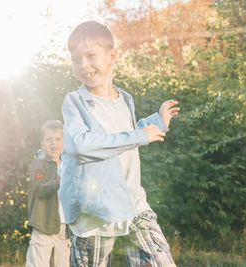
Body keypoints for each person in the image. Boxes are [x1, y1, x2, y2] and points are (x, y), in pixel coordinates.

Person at [59, 21, 180, 267]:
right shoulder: (75, 103)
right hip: (95, 211)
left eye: (91, 55)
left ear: (112, 55)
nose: (83, 65)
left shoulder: (125, 98)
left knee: (161, 262)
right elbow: (82, 145)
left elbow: (125, 135)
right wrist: (138, 136)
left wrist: (157, 122)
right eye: (75, 59)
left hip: (133, 202)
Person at [26, 120, 71, 267]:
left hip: (63, 227)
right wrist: (61, 180)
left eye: (58, 139)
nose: (54, 143)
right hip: (43, 224)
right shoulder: (37, 164)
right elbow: (41, 188)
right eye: (49, 139)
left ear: (64, 143)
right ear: (42, 143)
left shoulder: (68, 165)